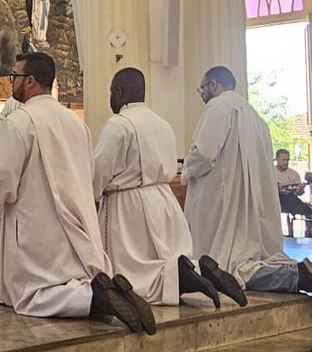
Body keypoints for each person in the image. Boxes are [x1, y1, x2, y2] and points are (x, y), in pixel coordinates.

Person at [0, 52, 156, 333]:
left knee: (35, 293)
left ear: (30, 80)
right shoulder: (76, 122)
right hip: (76, 222)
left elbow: (0, 178)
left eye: (15, 76)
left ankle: (95, 298)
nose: (12, 81)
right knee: (71, 276)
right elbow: (88, 171)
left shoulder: (20, 122)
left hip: (36, 225)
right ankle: (108, 289)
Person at [94, 68, 246, 308]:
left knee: (135, 274)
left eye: (111, 91)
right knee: (165, 257)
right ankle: (197, 271)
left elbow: (100, 170)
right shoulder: (162, 123)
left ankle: (183, 276)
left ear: (119, 92)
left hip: (129, 205)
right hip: (163, 199)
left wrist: (91, 197)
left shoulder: (118, 125)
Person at [183, 66, 312, 293]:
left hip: (224, 201)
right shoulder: (256, 117)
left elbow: (203, 154)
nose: (201, 95)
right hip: (250, 203)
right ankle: (295, 273)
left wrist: (186, 171)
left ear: (214, 85)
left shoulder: (217, 107)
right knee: (247, 256)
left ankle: (295, 276)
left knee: (226, 264)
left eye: (202, 89)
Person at [274, 148, 312, 236]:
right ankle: (307, 212)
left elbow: (299, 193)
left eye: (288, 160)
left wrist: (300, 190)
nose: (286, 162)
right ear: (277, 159)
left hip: (290, 199)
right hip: (273, 200)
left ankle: (308, 225)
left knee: (289, 197)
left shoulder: (294, 174)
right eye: (283, 160)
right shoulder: (270, 172)